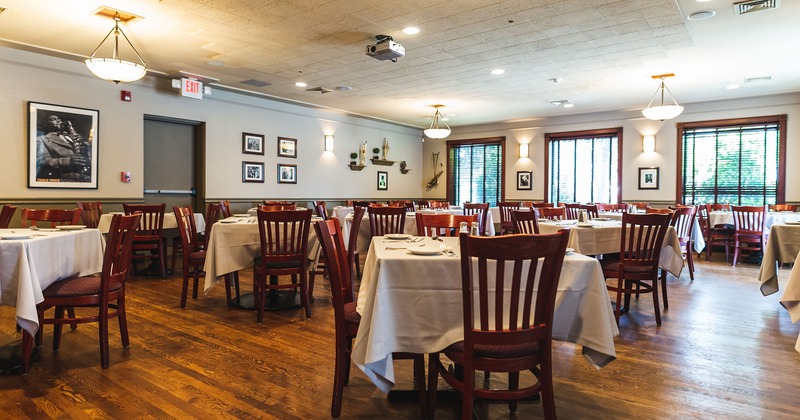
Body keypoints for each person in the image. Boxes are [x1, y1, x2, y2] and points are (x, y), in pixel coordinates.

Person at [36, 114, 90, 182]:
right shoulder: (42, 139)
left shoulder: (73, 136)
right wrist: (68, 161)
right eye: (53, 119)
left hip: (85, 177)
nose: (58, 120)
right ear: (46, 124)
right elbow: (41, 161)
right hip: (65, 178)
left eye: (59, 119)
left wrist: (84, 145)